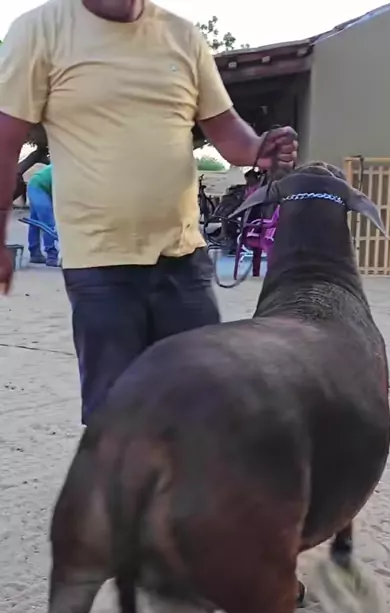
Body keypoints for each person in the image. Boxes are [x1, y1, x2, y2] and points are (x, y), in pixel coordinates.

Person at [0, 0, 298, 426]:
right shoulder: (40, 31)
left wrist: (258, 149)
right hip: (100, 263)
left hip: (184, 259)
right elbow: (5, 140)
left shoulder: (182, 36)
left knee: (201, 407)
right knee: (116, 418)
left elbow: (225, 127)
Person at [26, 163, 59, 266]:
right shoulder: (72, 170)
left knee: (35, 221)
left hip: (35, 184)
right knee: (48, 222)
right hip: (39, 187)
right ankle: (52, 255)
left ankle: (35, 253)